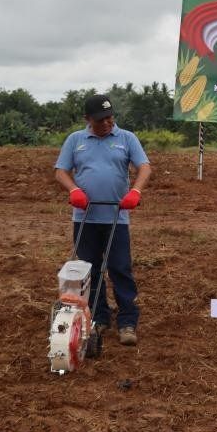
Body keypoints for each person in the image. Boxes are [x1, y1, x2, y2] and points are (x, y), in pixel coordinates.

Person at [54, 93, 151, 346]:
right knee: (90, 270)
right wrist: (73, 190)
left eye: (109, 118)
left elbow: (144, 167)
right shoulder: (76, 140)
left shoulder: (126, 138)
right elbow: (61, 171)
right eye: (100, 120)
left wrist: (135, 191)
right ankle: (99, 318)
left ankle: (128, 321)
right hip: (85, 217)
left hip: (116, 217)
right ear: (88, 119)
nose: (107, 123)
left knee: (120, 268)